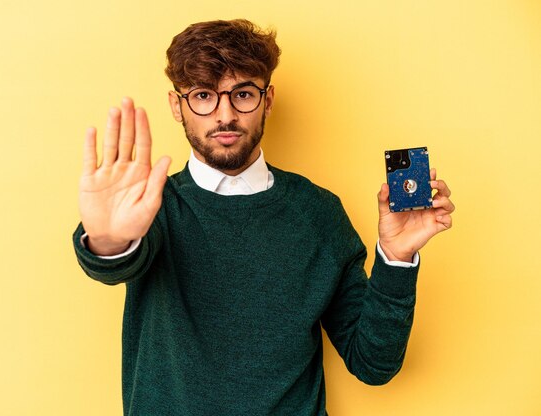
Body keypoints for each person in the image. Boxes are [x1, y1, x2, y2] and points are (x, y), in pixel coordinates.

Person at [72, 19, 454, 415]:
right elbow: (112, 262)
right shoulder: (151, 206)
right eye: (204, 95)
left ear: (268, 99)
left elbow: (374, 364)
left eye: (242, 94)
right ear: (177, 105)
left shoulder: (318, 212)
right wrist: (107, 241)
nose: (225, 115)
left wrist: (396, 259)